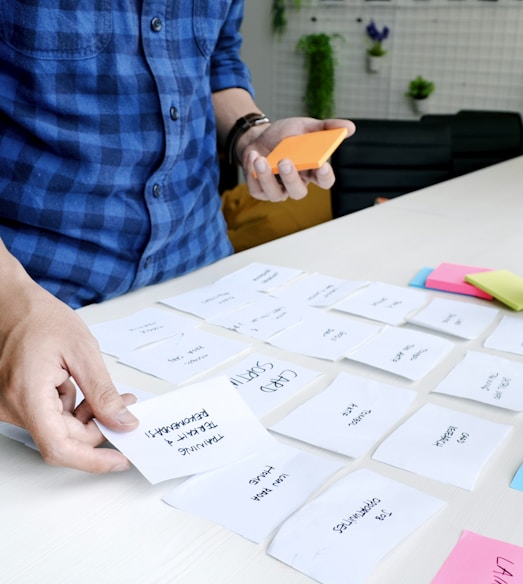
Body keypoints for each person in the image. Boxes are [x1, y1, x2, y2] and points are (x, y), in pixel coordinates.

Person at [0, 1, 354, 474]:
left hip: (203, 273)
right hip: (40, 301)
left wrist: (251, 134)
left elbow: (218, 60)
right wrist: (15, 308)